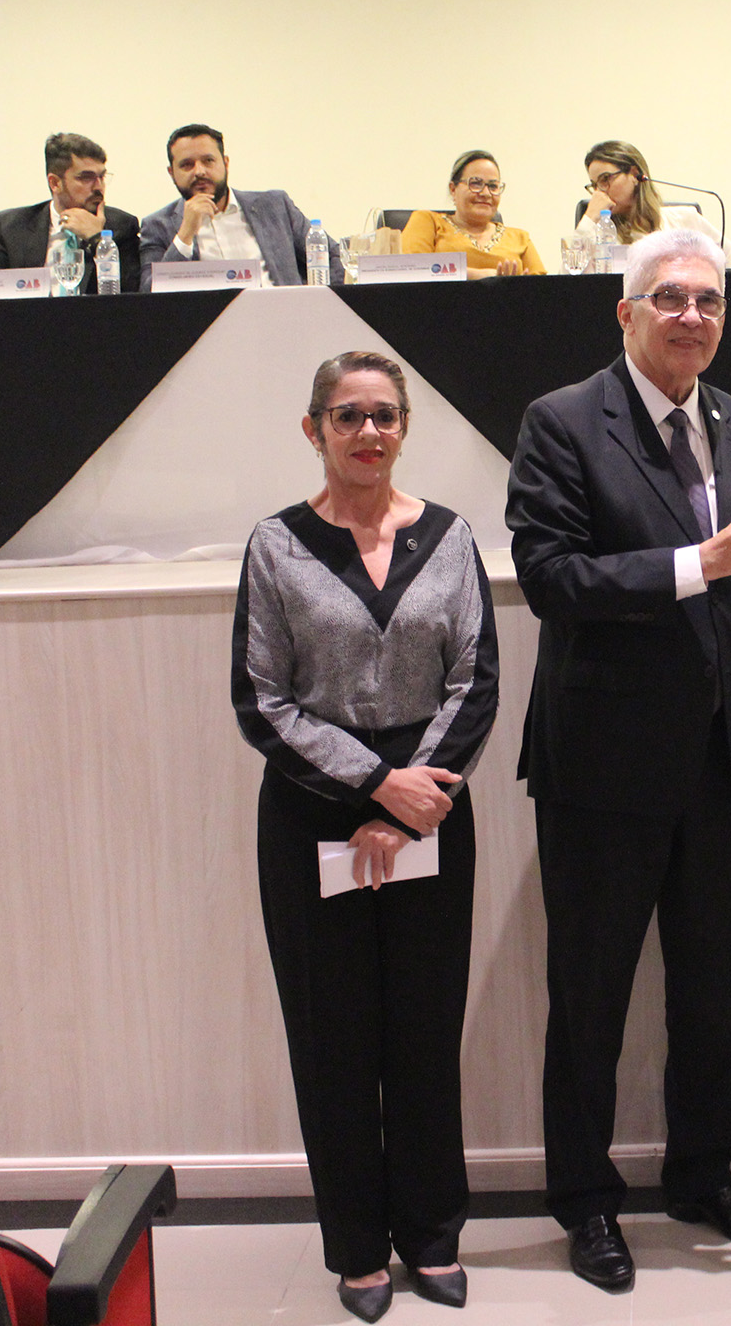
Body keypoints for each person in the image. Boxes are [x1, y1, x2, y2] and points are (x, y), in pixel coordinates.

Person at [506, 227, 731, 1291]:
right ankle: (586, 1201)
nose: (692, 317)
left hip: (721, 760)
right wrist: (692, 564)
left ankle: (704, 1175)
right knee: (591, 999)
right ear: (626, 312)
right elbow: (550, 577)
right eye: (671, 298)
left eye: (709, 302)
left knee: (717, 995)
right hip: (603, 765)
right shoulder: (562, 421)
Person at [232, 350, 500, 1322]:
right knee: (334, 1041)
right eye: (347, 416)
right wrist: (375, 786)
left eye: (384, 415)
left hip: (432, 811)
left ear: (405, 427)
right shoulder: (276, 547)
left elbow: (476, 681)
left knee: (424, 1034)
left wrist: (408, 797)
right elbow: (261, 701)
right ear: (315, 430)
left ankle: (430, 1234)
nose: (368, 432)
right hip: (313, 818)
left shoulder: (452, 539)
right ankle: (356, 1247)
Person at [138, 123, 337, 289]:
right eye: (187, 165)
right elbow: (149, 292)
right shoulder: (157, 225)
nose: (199, 171)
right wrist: (185, 234)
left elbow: (334, 257)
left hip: (283, 315)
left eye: (208, 161)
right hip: (210, 322)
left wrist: (318, 303)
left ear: (225, 163)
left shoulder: (275, 206)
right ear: (172, 173)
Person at [0, 132, 141, 293]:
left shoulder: (121, 227)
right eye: (86, 178)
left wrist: (97, 240)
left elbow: (133, 294)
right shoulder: (13, 227)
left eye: (102, 177)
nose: (99, 187)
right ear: (55, 183)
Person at [577, 140, 731, 261]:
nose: (600, 191)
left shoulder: (684, 219)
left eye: (605, 179)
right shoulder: (599, 232)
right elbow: (572, 279)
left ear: (635, 174)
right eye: (594, 185)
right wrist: (589, 218)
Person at [399, 151, 547, 278]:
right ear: (453, 189)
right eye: (475, 183)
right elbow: (411, 269)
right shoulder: (428, 221)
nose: (486, 193)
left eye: (493, 186)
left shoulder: (520, 238)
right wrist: (478, 276)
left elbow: (543, 288)